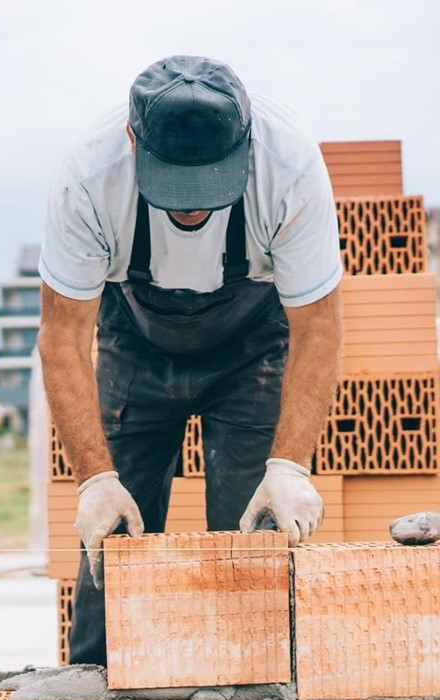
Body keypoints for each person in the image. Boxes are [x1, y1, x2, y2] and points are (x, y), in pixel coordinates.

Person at [38, 55, 343, 667]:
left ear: (246, 142)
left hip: (251, 349)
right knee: (111, 551)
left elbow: (319, 329)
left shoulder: (290, 165)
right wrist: (94, 480)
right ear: (133, 142)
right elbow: (63, 335)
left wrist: (289, 466)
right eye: (174, 188)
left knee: (251, 550)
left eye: (209, 188)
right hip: (134, 344)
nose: (191, 211)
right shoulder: (89, 173)